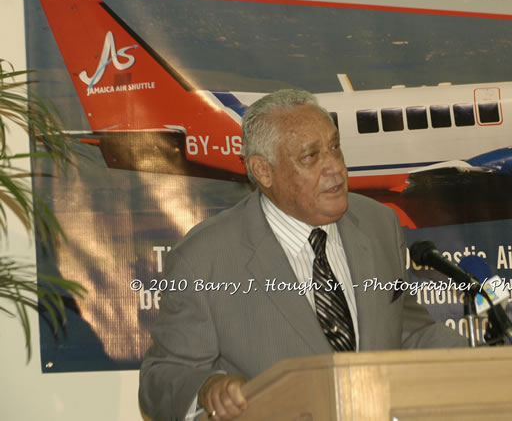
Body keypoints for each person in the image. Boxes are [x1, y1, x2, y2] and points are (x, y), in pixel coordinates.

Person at [139, 89, 466, 420]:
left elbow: (407, 330)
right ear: (263, 171)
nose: (335, 168)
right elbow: (163, 377)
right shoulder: (204, 259)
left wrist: (487, 361)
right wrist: (208, 388)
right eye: (311, 157)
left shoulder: (378, 223)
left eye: (335, 148)